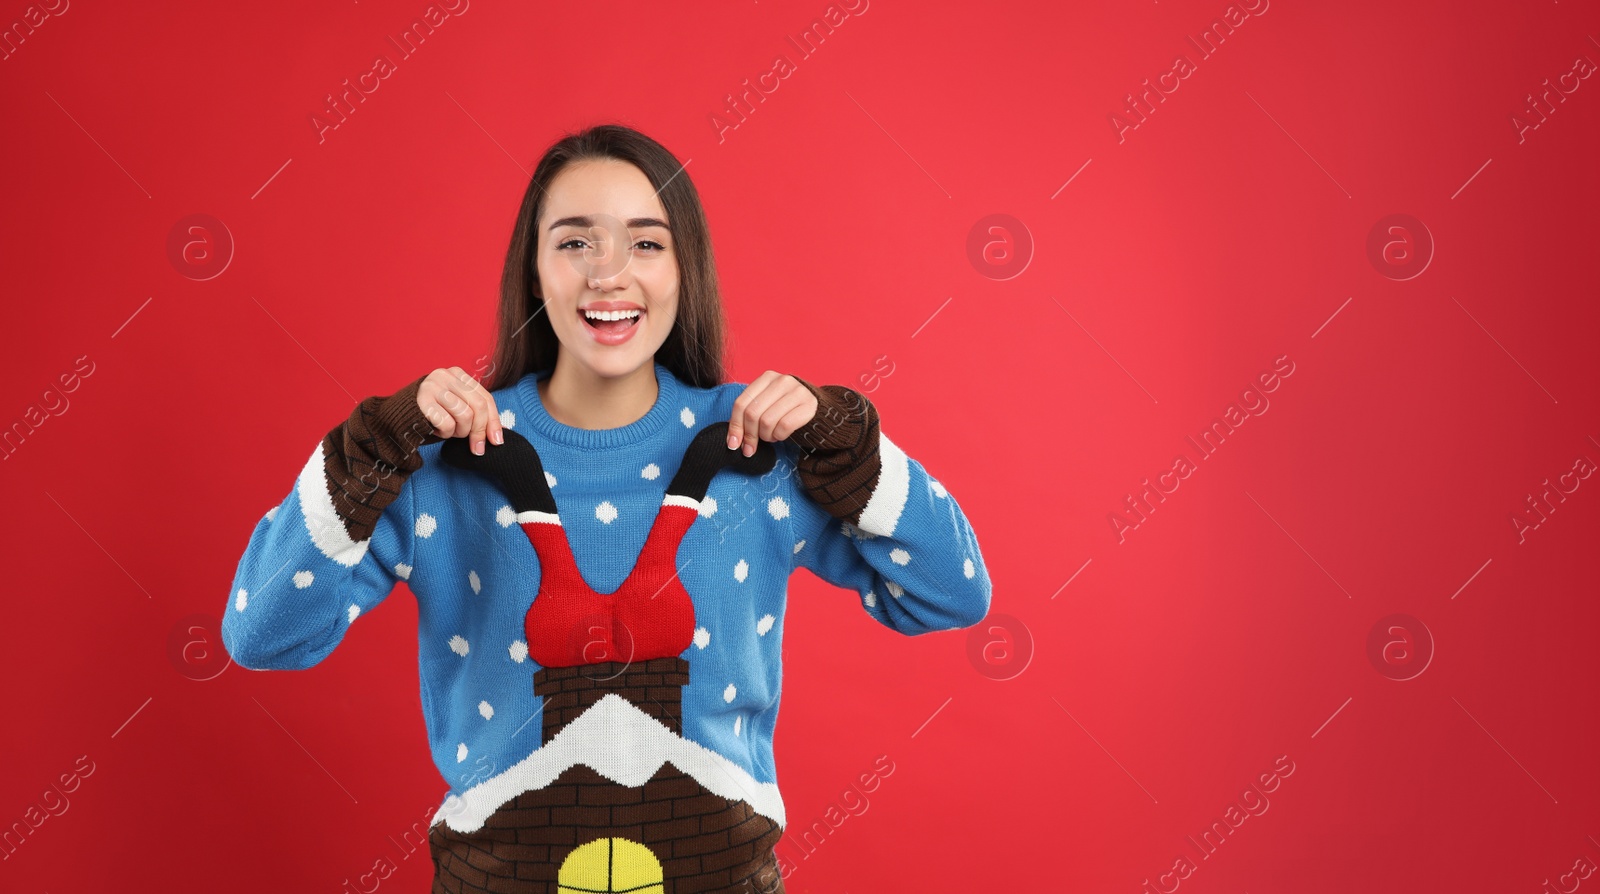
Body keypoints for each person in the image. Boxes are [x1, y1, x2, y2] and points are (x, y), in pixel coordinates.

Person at [222, 123, 991, 893]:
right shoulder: (441, 457)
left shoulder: (757, 447)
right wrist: (366, 451)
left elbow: (950, 594)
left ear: (685, 269)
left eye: (647, 244)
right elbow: (262, 635)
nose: (609, 274)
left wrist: (853, 449)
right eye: (575, 243)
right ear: (533, 270)